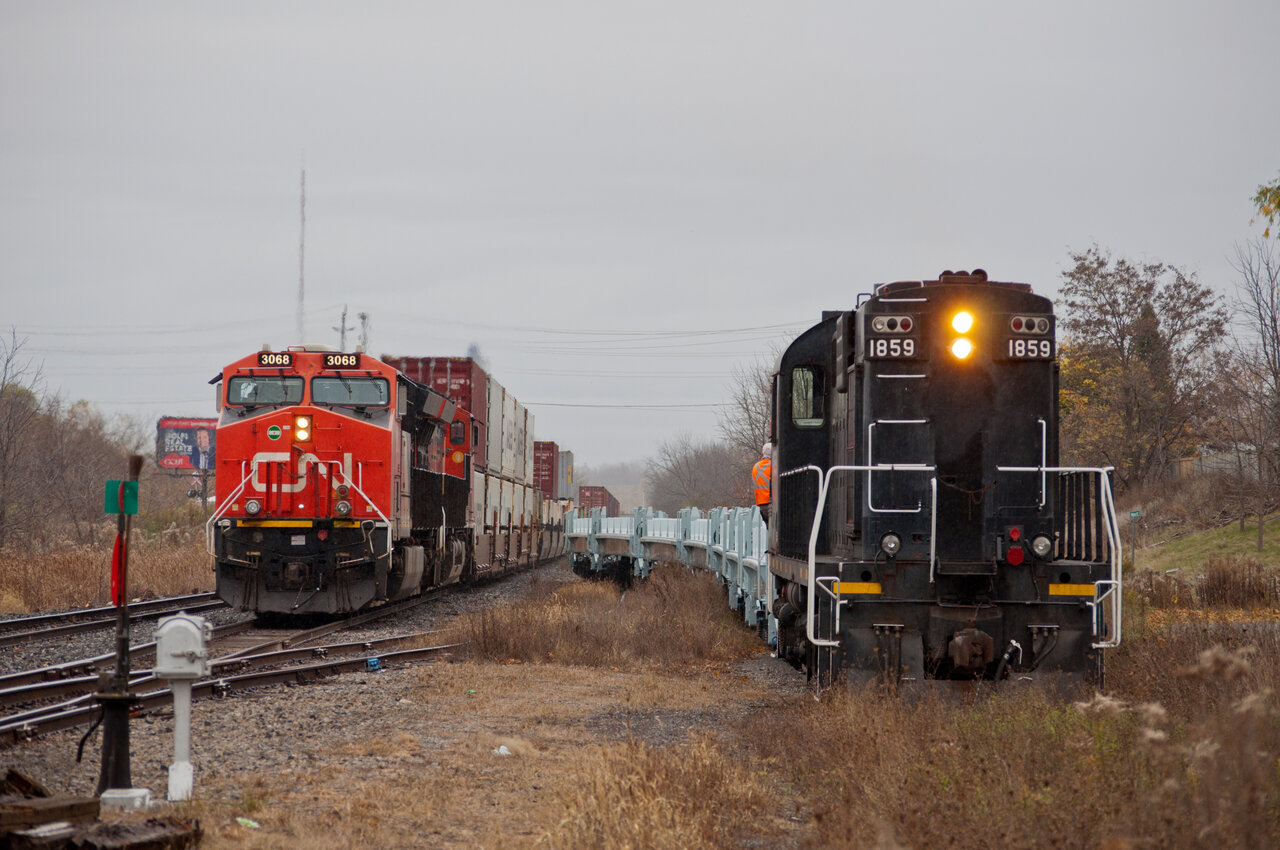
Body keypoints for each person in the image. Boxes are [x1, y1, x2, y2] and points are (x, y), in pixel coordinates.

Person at [752, 442, 772, 525]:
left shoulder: (755, 467)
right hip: (772, 504)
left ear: (762, 453)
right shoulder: (774, 466)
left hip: (761, 505)